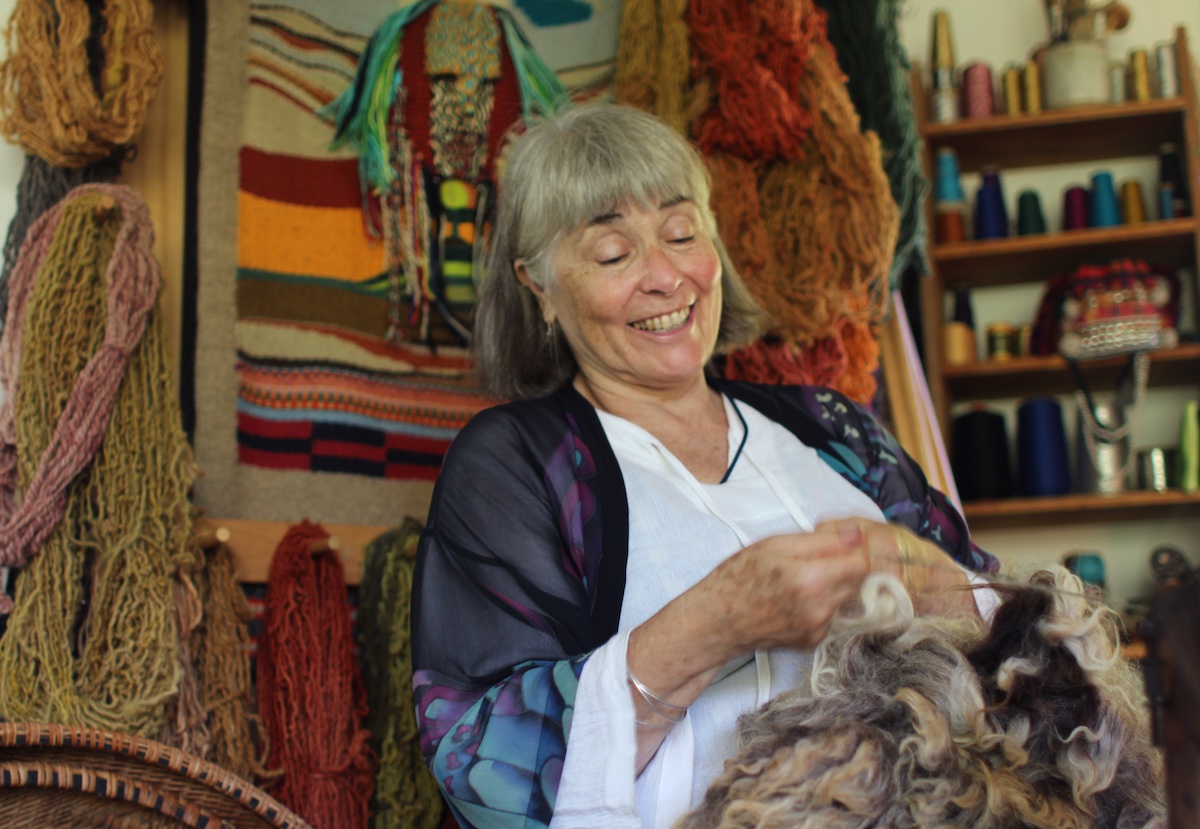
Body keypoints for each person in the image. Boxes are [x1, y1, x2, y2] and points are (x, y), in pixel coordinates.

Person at [411, 102, 999, 829]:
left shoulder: (830, 426)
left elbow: (1013, 649)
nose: (665, 276)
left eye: (682, 233)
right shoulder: (513, 465)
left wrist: (919, 572)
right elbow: (482, 771)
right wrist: (717, 621)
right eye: (612, 254)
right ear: (541, 289)